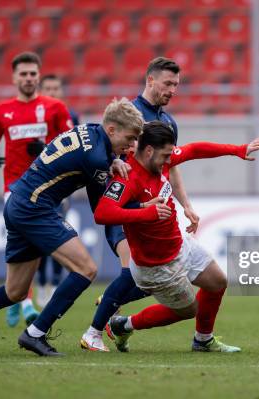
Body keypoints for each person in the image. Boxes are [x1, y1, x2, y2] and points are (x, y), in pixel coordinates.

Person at [0, 98, 145, 356]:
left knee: (15, 291)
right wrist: (143, 209)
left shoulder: (91, 130)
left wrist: (112, 160)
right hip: (35, 207)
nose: (132, 146)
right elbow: (102, 211)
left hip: (19, 201)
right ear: (112, 129)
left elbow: (92, 159)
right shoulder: (98, 157)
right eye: (130, 138)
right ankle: (36, 333)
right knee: (86, 269)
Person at [93, 121, 259, 352]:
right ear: (148, 151)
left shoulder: (161, 158)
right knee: (189, 310)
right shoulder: (128, 177)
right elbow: (102, 213)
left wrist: (236, 150)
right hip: (155, 264)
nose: (170, 161)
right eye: (165, 156)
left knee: (217, 282)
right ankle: (123, 325)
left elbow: (194, 150)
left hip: (178, 244)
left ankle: (203, 340)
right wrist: (146, 212)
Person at [82, 57, 199, 350]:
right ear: (150, 80)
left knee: (144, 279)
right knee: (132, 273)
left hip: (152, 213)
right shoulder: (130, 114)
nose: (172, 90)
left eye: (176, 85)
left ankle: (112, 307)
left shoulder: (169, 122)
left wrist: (185, 205)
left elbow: (171, 166)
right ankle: (94, 332)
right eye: (168, 83)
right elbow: (105, 148)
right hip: (124, 209)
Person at [0, 52, 73, 327]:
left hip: (49, 189)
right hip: (15, 189)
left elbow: (71, 145)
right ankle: (25, 300)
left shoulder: (55, 108)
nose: (29, 78)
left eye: (33, 73)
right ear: (14, 77)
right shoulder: (1, 111)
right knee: (27, 245)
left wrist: (47, 149)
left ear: (39, 76)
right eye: (24, 74)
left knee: (35, 248)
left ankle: (18, 297)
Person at [33, 74, 81, 307]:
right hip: (37, 185)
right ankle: (42, 282)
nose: (52, 92)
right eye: (48, 88)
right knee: (41, 237)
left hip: (61, 186)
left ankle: (55, 281)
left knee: (61, 233)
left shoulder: (70, 116)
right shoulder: (33, 116)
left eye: (56, 88)